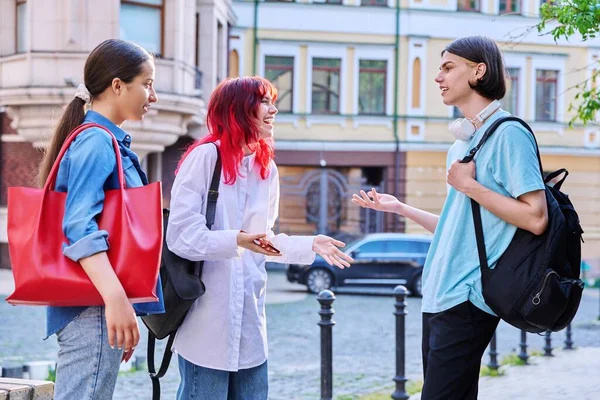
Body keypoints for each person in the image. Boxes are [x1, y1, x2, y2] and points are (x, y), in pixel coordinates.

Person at [352, 36, 548, 399]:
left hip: (469, 297)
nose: (438, 78)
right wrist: (399, 208)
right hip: (439, 294)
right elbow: (455, 228)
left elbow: (536, 217)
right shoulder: (461, 145)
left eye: (447, 67)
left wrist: (469, 185)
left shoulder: (508, 135)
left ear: (478, 71)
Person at [167, 76, 354, 400]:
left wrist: (307, 244)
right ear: (238, 110)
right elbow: (181, 235)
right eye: (264, 102)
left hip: (250, 323)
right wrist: (236, 240)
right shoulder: (205, 157)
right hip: (207, 323)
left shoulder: (266, 168)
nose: (273, 110)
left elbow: (262, 241)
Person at [38, 39, 164, 400]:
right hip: (94, 304)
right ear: (118, 85)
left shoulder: (102, 139)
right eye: (147, 83)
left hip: (96, 305)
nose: (152, 96)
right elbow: (79, 226)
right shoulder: (96, 142)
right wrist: (116, 300)